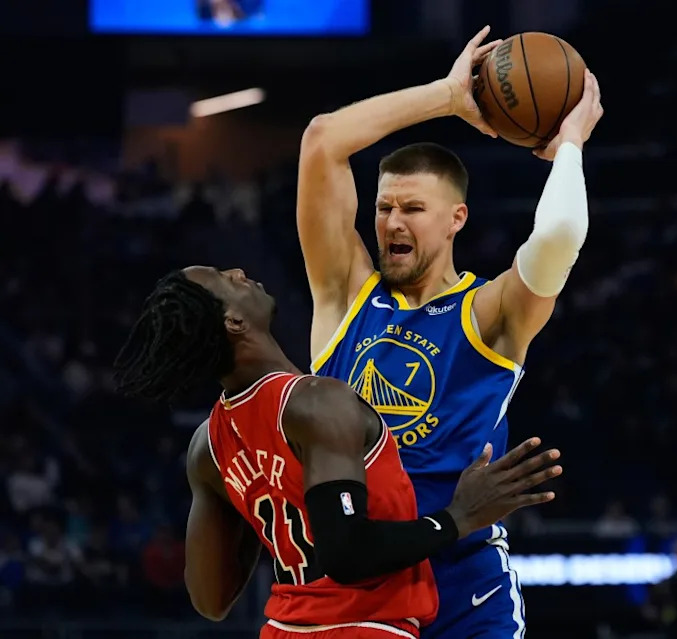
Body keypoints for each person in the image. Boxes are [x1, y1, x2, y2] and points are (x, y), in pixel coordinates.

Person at [296, 25, 603, 638]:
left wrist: (569, 144)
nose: (391, 222)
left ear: (456, 218)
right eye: (384, 208)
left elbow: (560, 238)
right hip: (356, 582)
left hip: (461, 586)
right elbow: (323, 140)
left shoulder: (489, 313)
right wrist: (447, 96)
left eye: (412, 209)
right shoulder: (344, 292)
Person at [113, 267, 562, 639]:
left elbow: (210, 599)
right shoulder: (317, 401)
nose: (238, 272)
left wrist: (260, 506)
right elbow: (346, 556)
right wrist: (460, 516)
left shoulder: (207, 446)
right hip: (363, 628)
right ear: (233, 322)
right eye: (224, 280)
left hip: (284, 629)